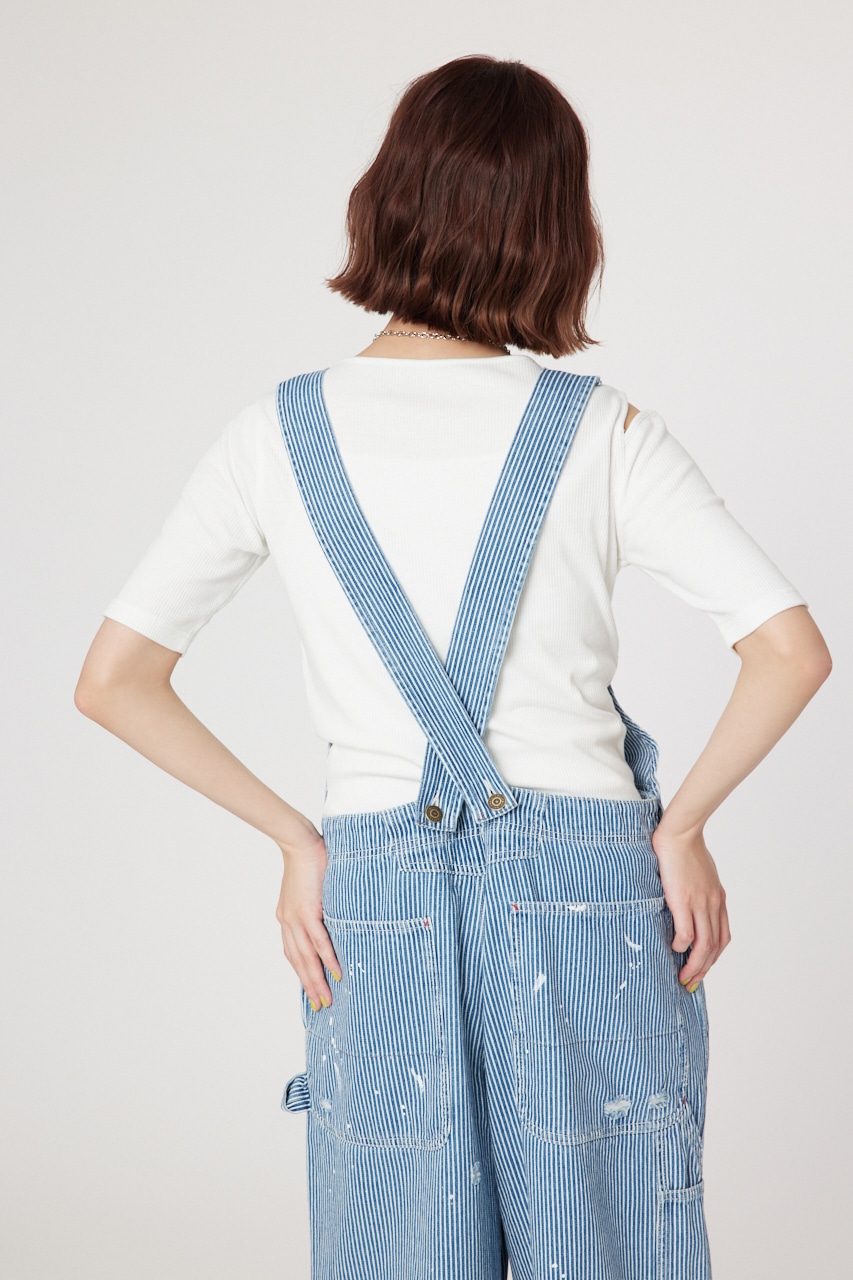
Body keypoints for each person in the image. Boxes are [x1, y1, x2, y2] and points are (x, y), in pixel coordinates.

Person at [75, 54, 831, 1280]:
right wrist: (683, 825)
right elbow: (789, 650)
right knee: (612, 1248)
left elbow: (112, 678)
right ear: (555, 230)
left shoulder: (274, 434)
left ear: (386, 199)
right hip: (588, 887)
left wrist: (296, 839)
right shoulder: (601, 429)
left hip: (370, 892)